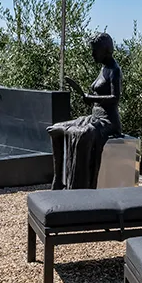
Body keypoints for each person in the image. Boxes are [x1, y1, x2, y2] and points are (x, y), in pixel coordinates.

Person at [48, 32, 122, 189]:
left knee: (84, 133)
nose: (92, 54)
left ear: (105, 50)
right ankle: (59, 181)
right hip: (94, 117)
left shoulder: (114, 70)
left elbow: (115, 98)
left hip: (107, 121)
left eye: (95, 50)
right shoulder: (103, 69)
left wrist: (92, 98)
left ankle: (79, 186)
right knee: (55, 129)